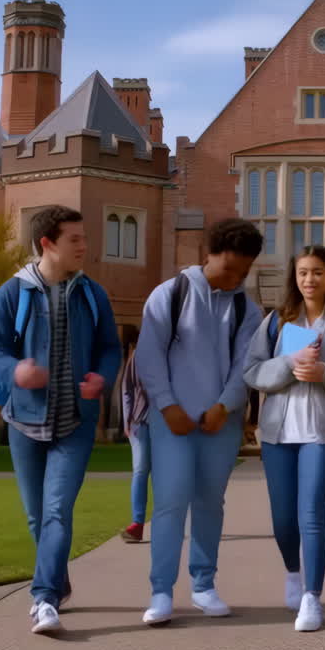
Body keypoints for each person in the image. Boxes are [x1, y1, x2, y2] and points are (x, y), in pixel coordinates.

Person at [0, 205, 122, 635]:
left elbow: (110, 348)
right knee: (37, 515)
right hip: (23, 421)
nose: (85, 246)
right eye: (75, 239)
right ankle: (57, 580)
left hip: (75, 421)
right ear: (48, 243)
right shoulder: (13, 294)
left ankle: (43, 599)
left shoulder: (93, 295)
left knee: (57, 509)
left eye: (84, 238)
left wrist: (102, 377)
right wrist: (14, 371)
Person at [134, 219, 264, 626]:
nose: (235, 279)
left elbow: (247, 365)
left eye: (243, 272)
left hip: (219, 424)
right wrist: (168, 405)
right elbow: (149, 357)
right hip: (170, 419)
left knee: (210, 503)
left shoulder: (247, 308)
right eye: (229, 268)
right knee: (171, 501)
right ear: (208, 254)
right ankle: (161, 593)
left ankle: (204, 585)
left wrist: (224, 407)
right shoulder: (169, 294)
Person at [244, 246, 325, 632]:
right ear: (294, 278)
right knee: (284, 521)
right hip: (279, 435)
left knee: (311, 515)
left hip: (323, 434)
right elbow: (251, 372)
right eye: (302, 273)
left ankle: (312, 598)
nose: (309, 280)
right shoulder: (275, 322)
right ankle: (293, 574)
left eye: (317, 272)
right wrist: (287, 364)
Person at [119, 333, 151, 543]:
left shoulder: (175, 353)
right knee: (140, 469)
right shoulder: (139, 356)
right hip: (140, 421)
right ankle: (137, 524)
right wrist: (127, 419)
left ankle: (166, 522)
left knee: (164, 475)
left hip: (169, 424)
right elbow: (127, 388)